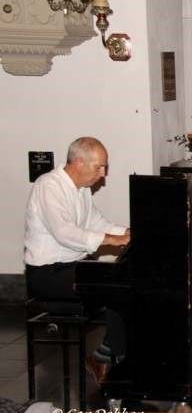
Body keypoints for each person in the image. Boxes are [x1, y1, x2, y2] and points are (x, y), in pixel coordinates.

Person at [24, 137, 130, 383]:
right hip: (47, 274)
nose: (103, 174)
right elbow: (65, 233)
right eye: (99, 167)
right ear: (79, 162)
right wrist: (111, 240)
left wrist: (127, 233)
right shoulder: (48, 186)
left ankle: (111, 357)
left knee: (126, 282)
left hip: (74, 267)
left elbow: (96, 222)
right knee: (114, 288)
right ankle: (108, 359)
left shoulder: (81, 189)